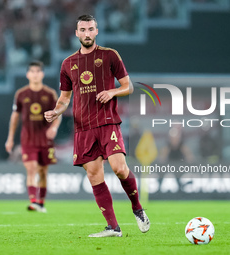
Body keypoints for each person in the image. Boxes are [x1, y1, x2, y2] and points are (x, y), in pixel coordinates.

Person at [44, 14, 150, 237]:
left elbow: (128, 86)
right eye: (82, 30)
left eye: (91, 29)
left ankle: (137, 208)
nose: (87, 33)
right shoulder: (68, 64)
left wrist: (112, 91)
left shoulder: (109, 55)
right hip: (83, 128)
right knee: (94, 176)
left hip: (107, 122)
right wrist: (56, 111)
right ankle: (113, 227)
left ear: (96, 31)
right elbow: (65, 99)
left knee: (120, 168)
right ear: (77, 33)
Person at [5, 60, 61, 213]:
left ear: (42, 74)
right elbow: (15, 117)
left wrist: (54, 128)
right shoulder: (21, 94)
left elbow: (57, 114)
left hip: (45, 139)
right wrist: (10, 138)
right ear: (28, 74)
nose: (35, 74)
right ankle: (33, 201)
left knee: (43, 171)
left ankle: (41, 202)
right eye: (32, 71)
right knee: (31, 168)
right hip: (28, 138)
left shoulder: (49, 94)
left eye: (38, 71)